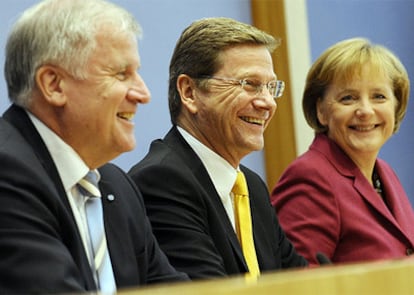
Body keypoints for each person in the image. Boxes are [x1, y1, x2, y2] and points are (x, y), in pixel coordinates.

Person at [0, 0, 189, 293]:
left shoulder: (116, 185)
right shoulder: (7, 173)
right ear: (53, 85)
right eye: (121, 74)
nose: (144, 94)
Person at [128, 17, 308, 280]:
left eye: (271, 87)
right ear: (189, 92)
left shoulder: (251, 187)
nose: (268, 102)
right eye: (250, 84)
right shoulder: (162, 181)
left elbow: (301, 282)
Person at [271, 37, 414, 266]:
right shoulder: (310, 177)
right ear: (321, 111)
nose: (365, 111)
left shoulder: (384, 173)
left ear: (396, 105)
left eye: (379, 96)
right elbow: (297, 282)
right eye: (348, 98)